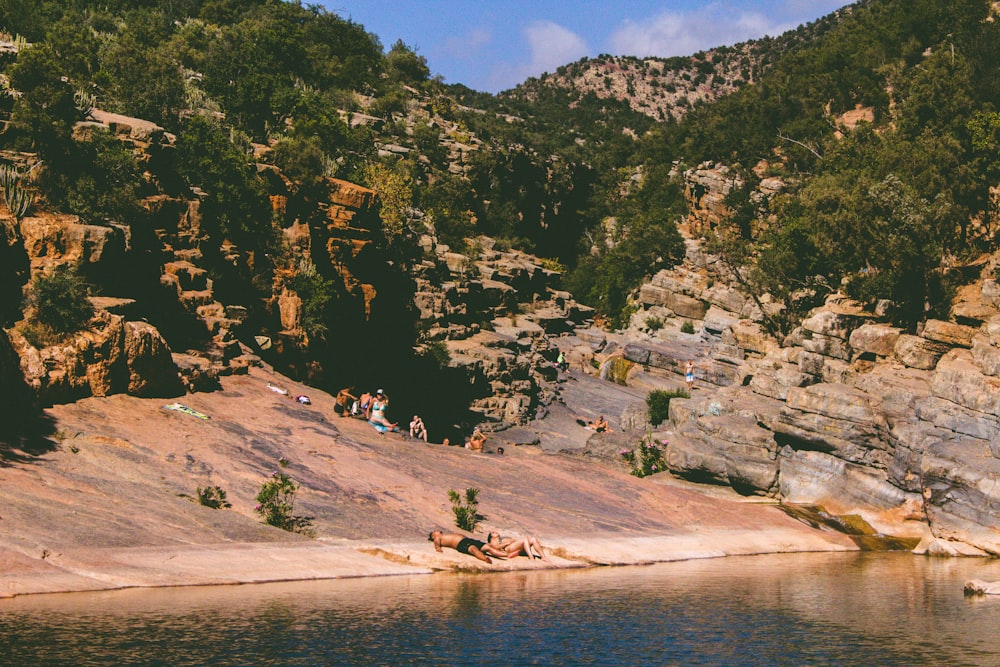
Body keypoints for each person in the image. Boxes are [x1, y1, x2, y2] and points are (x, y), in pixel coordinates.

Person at [428, 530, 506, 563]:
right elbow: (437, 545)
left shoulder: (444, 535)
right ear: (433, 536)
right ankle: (485, 558)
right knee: (473, 549)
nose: (437, 531)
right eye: (434, 532)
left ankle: (506, 555)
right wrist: (438, 549)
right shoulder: (437, 538)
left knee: (488, 547)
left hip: (467, 540)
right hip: (460, 544)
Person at [486, 530, 551, 562]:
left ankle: (543, 557)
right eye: (493, 533)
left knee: (533, 539)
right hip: (508, 548)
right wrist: (505, 544)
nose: (495, 532)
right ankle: (531, 557)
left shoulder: (501, 538)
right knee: (524, 539)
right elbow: (495, 548)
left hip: (514, 546)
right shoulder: (493, 541)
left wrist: (513, 541)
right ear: (491, 537)